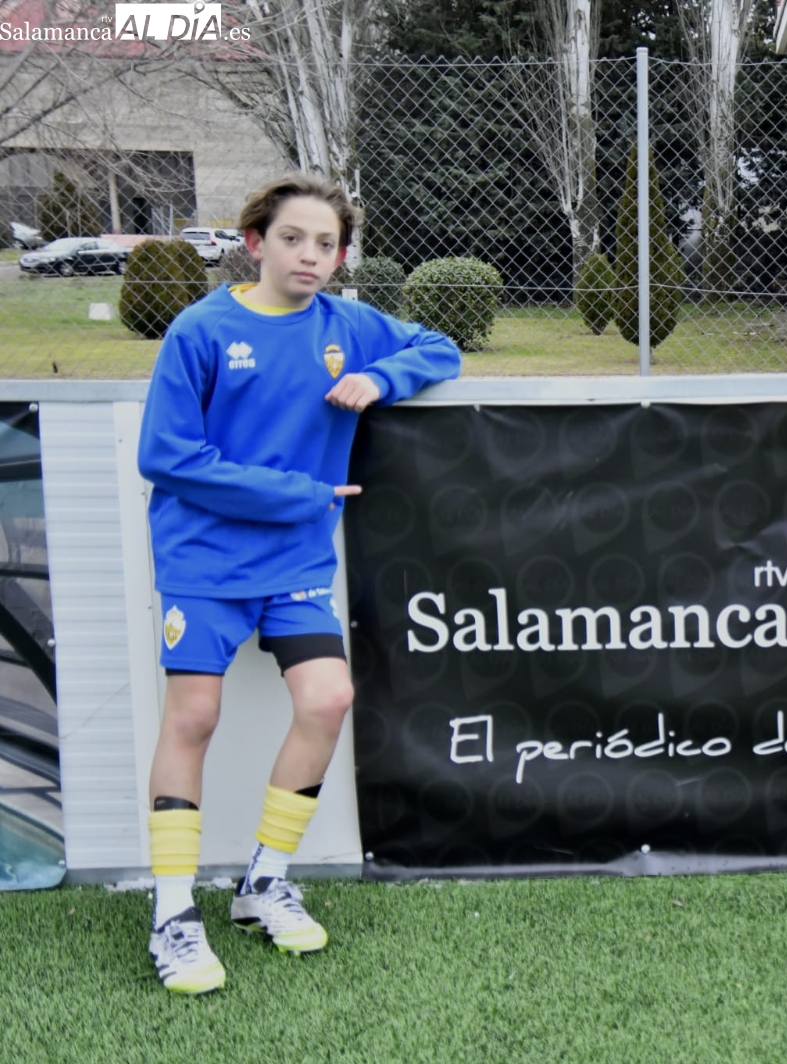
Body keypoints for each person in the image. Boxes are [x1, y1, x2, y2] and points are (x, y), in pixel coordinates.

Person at [136, 173, 462, 994]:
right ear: (255, 243)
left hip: (296, 567)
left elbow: (440, 347)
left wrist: (383, 379)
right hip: (204, 560)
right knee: (196, 715)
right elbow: (166, 457)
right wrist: (297, 492)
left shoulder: (347, 325)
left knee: (326, 700)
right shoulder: (200, 328)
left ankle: (263, 881)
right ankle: (173, 913)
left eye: (327, 244)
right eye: (293, 239)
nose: (311, 255)